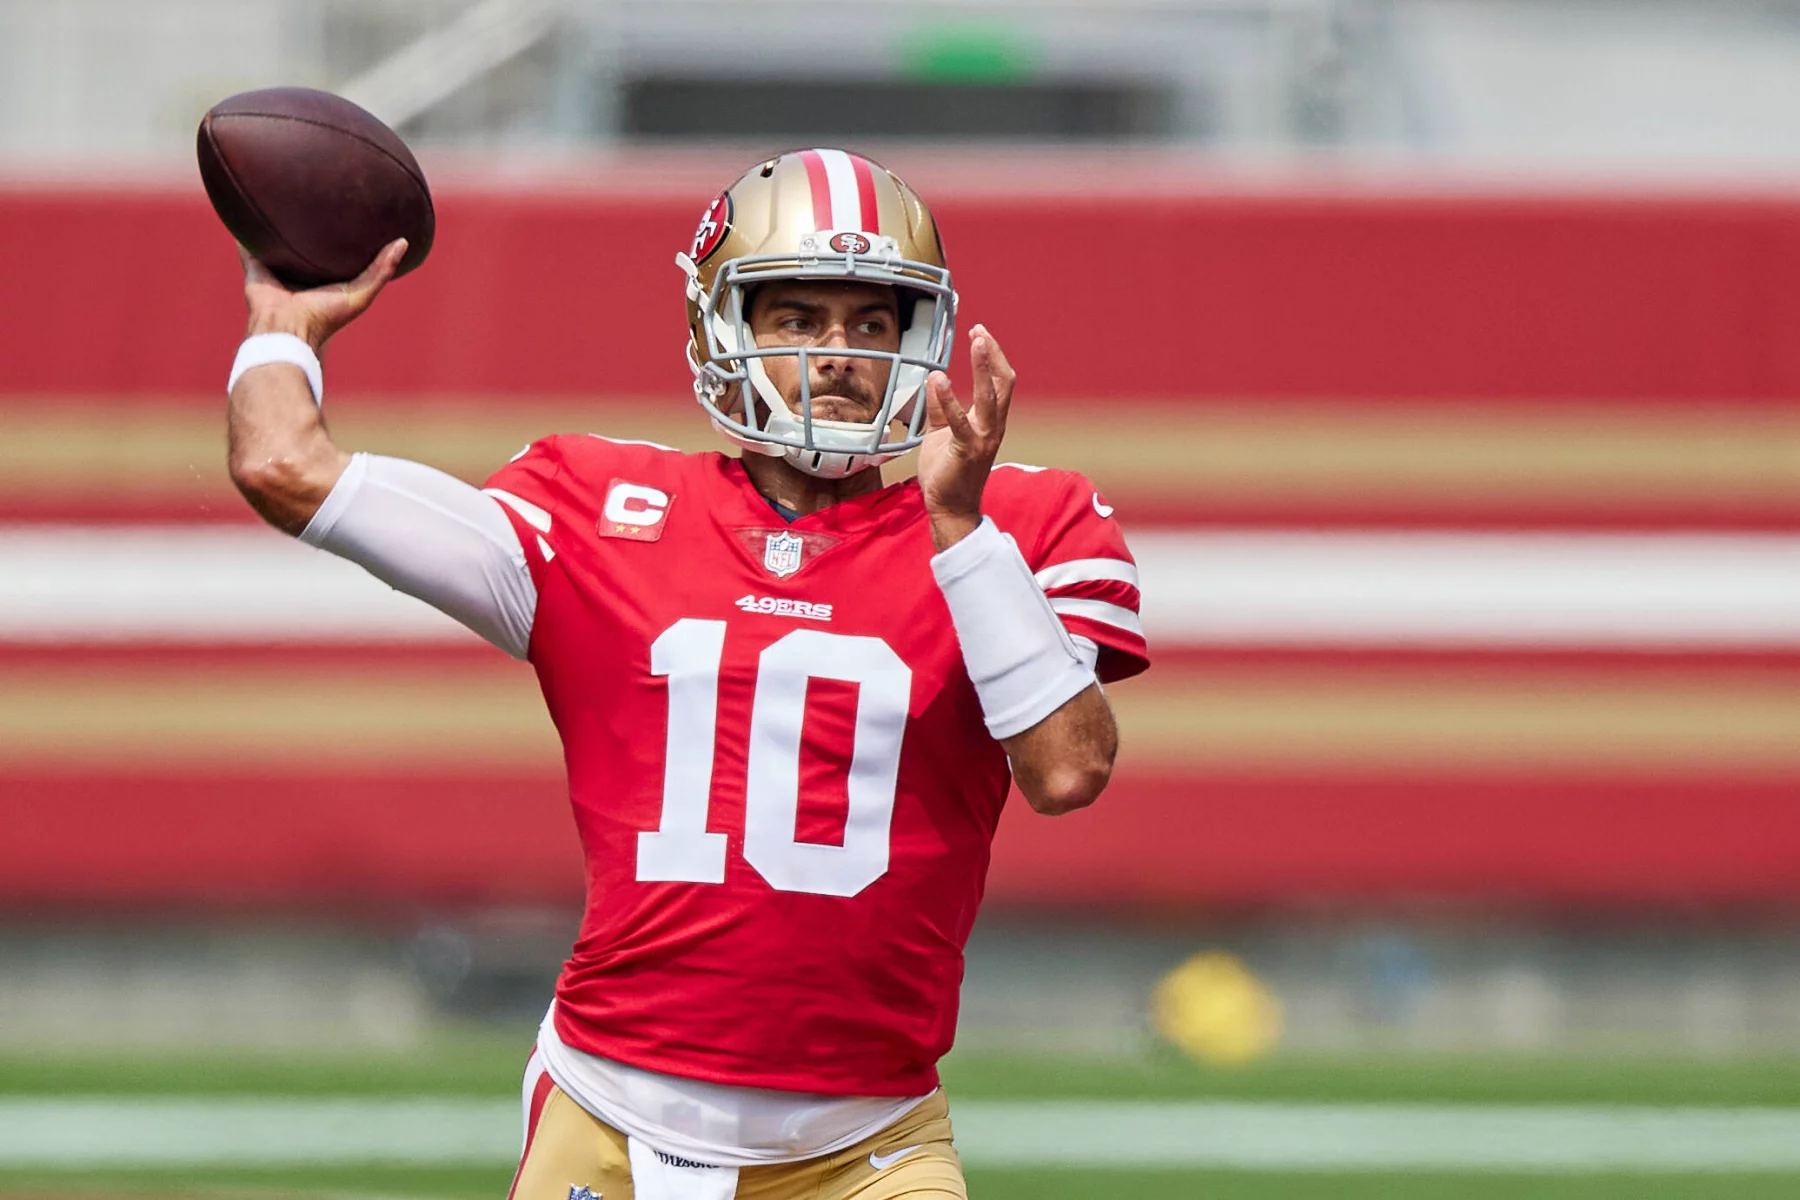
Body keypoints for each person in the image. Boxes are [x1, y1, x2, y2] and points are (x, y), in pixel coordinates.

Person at [226, 148, 1149, 1200]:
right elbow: (283, 467)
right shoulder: (596, 510)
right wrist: (283, 328)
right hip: (609, 1118)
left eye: (870, 321)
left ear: (920, 336)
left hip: (869, 1148)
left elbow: (1068, 772)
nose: (838, 354)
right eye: (796, 317)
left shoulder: (1013, 526)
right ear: (724, 328)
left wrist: (959, 531)